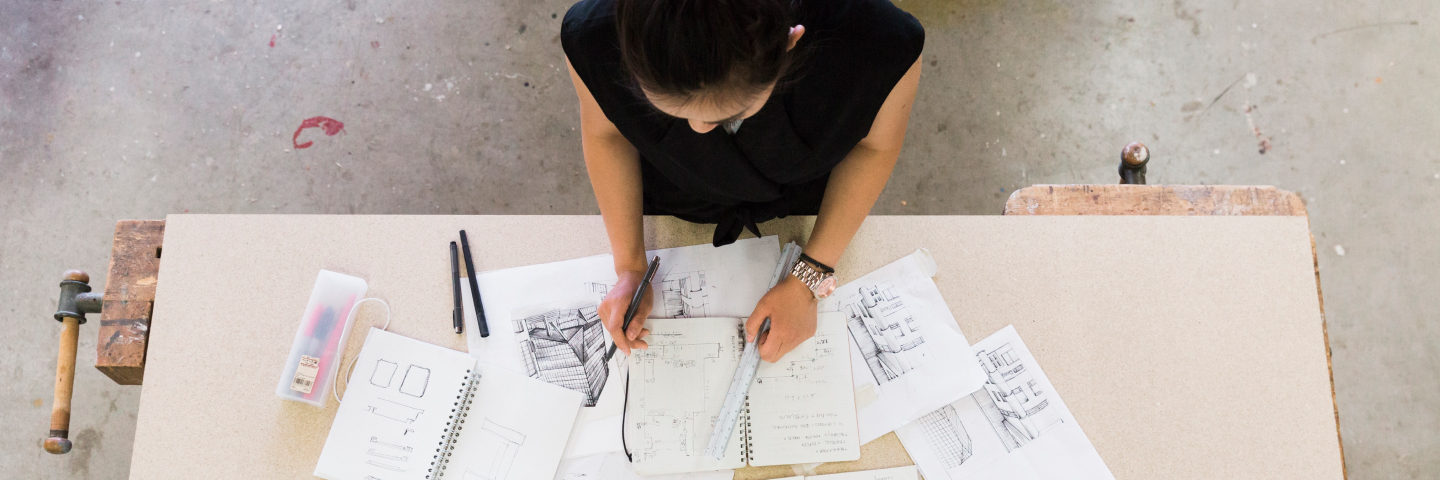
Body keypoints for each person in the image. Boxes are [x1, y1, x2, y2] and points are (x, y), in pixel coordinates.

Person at [562, 0, 924, 362]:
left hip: (804, 198)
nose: (698, 129)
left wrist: (810, 276)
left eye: (725, 116)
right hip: (678, 191)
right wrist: (629, 267)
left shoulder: (878, 42)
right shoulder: (593, 35)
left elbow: (873, 148)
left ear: (789, 41)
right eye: (669, 109)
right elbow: (608, 135)